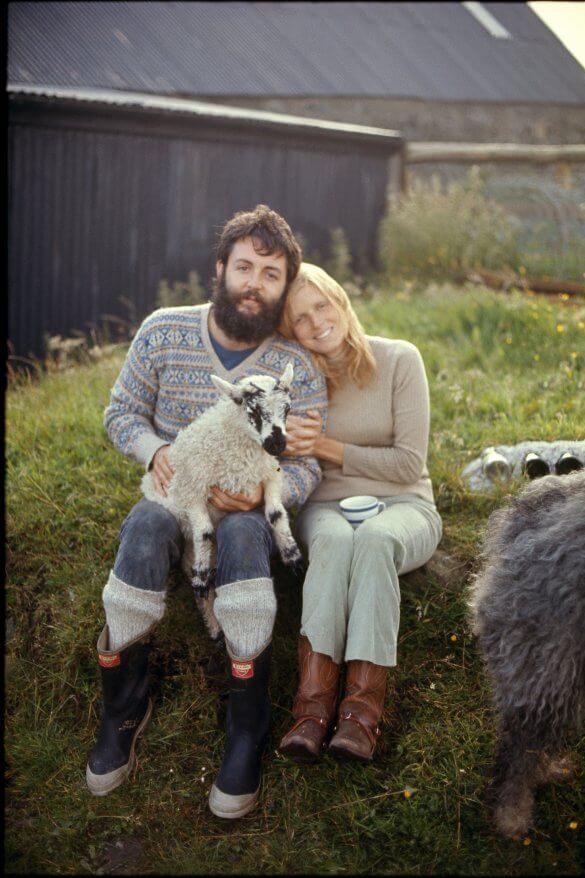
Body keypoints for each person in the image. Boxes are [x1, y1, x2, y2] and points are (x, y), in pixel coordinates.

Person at [85, 206, 327, 820]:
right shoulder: (163, 331)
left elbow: (306, 463)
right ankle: (122, 709)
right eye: (244, 266)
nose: (254, 282)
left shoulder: (293, 368)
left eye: (270, 274)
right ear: (219, 268)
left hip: (245, 508)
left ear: (282, 287)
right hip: (174, 497)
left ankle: (245, 725)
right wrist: (156, 450)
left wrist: (266, 493)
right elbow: (120, 414)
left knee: (246, 535)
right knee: (143, 528)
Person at [277, 263, 442, 763]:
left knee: (374, 540)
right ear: (290, 331)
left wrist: (328, 446)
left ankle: (360, 717)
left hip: (406, 504)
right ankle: (310, 713)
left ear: (341, 300)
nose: (316, 323)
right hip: (324, 507)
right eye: (299, 319)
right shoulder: (298, 380)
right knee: (334, 541)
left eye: (321, 305)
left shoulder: (399, 360)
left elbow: (409, 463)